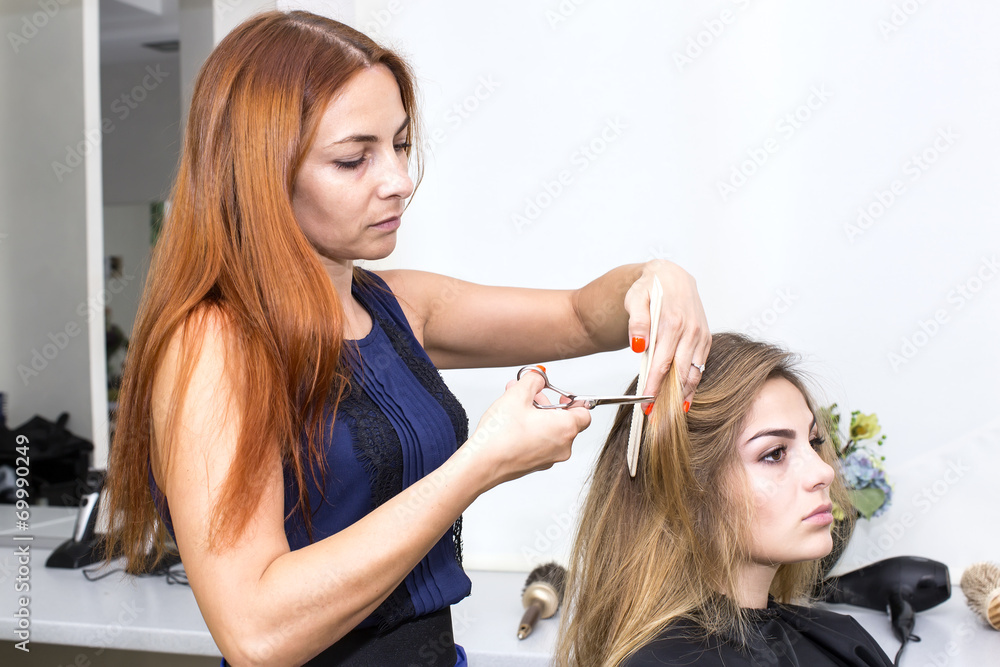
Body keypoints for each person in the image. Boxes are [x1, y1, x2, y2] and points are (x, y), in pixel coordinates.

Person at [101, 10, 711, 667]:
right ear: (260, 173)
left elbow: (581, 316)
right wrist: (481, 463)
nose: (398, 179)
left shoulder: (395, 305)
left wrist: (657, 278)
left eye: (398, 144)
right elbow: (256, 633)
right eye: (353, 158)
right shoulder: (213, 344)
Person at [555, 333, 894, 667]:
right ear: (686, 490)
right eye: (775, 454)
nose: (823, 472)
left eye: (815, 442)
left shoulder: (840, 640)